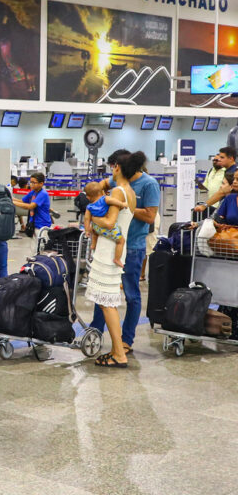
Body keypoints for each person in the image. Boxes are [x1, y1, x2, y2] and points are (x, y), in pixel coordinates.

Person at [89, 150, 159, 356]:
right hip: (114, 244)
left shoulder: (148, 184)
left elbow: (150, 216)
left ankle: (126, 339)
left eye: (113, 166)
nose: (111, 171)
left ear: (119, 167)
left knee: (131, 295)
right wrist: (100, 198)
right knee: (103, 291)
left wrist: (122, 208)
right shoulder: (118, 182)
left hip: (134, 245)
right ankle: (95, 332)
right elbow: (101, 186)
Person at [85, 153, 137, 368]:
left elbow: (109, 222)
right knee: (108, 302)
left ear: (117, 168)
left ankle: (119, 354)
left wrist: (91, 218)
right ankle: (117, 350)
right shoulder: (131, 192)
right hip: (115, 248)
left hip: (108, 251)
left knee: (107, 304)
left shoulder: (118, 191)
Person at [83, 181, 126, 268]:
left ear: (88, 197)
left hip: (96, 227)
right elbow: (114, 201)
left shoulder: (89, 207)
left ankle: (93, 245)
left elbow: (87, 219)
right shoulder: (105, 199)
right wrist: (123, 204)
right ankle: (117, 259)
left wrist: (87, 230)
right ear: (102, 192)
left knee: (94, 233)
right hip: (106, 229)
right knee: (121, 241)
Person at [195, 147, 238, 215]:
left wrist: (204, 206)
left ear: (231, 158)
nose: (219, 159)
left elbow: (221, 192)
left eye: (222, 157)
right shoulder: (228, 170)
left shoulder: (233, 172)